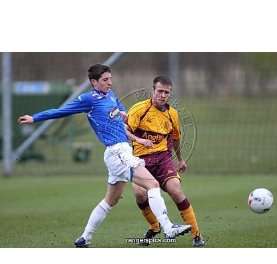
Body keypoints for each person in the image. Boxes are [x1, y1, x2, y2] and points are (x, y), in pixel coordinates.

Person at [17, 64, 191, 247]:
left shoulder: (111, 96)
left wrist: (128, 122)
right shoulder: (88, 100)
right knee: (152, 184)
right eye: (105, 80)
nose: (110, 82)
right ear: (94, 82)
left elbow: (123, 120)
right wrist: (35, 118)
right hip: (117, 152)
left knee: (111, 200)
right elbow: (61, 111)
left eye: (110, 78)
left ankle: (84, 238)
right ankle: (168, 227)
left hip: (121, 152)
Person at [126, 76, 205, 247]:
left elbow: (176, 138)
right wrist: (137, 143)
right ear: (153, 90)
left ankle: (196, 235)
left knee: (176, 190)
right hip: (140, 160)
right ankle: (154, 227)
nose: (162, 95)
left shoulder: (172, 114)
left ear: (170, 93)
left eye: (166, 92)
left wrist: (181, 159)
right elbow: (125, 131)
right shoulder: (139, 109)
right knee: (139, 194)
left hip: (163, 159)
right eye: (160, 91)